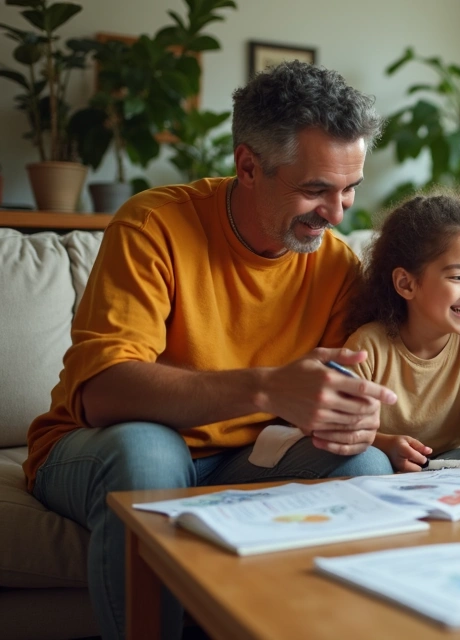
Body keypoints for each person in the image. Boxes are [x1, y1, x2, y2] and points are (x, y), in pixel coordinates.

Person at [23, 62, 395, 640]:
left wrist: (354, 418)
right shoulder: (154, 225)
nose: (338, 212)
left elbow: (330, 395)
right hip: (104, 447)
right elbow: (102, 392)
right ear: (248, 166)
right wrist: (266, 387)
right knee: (150, 452)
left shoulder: (337, 265)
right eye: (315, 190)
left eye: (350, 189)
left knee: (365, 465)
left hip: (246, 459)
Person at [342, 191, 460, 471]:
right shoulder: (366, 346)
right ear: (406, 284)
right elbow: (346, 429)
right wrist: (387, 445)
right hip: (381, 457)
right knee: (368, 462)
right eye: (458, 277)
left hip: (446, 458)